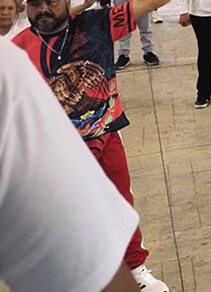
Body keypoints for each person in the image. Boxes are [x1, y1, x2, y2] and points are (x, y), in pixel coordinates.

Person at [13, 0, 209, 292]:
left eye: (49, 2)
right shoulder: (19, 47)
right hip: (57, 151)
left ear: (66, 2)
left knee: (120, 204)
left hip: (105, 135)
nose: (42, 10)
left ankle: (136, 270)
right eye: (34, 4)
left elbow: (144, 2)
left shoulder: (96, 25)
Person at [0, 40, 145, 292]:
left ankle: (137, 266)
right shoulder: (10, 66)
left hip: (96, 134)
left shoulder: (9, 68)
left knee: (116, 198)